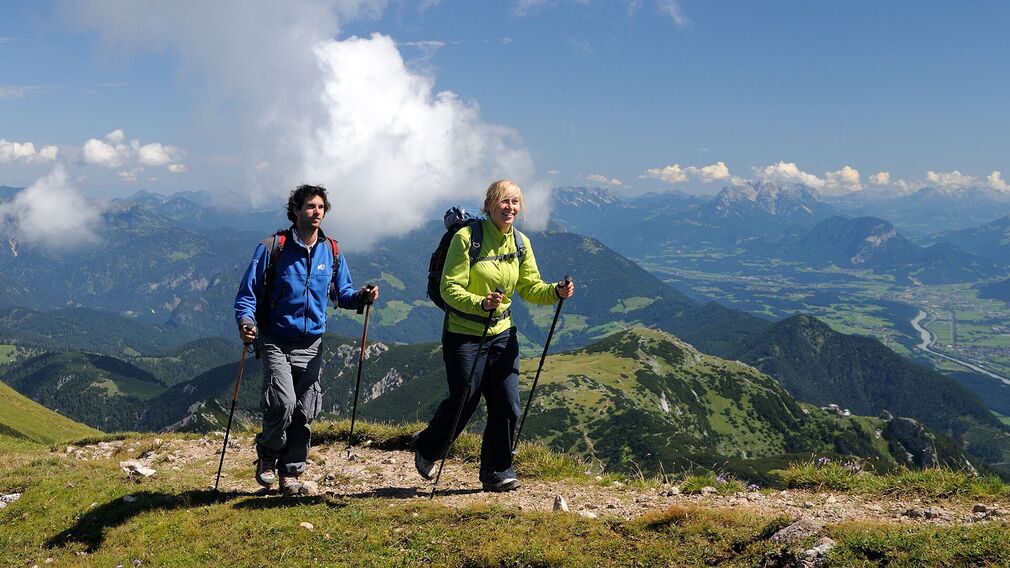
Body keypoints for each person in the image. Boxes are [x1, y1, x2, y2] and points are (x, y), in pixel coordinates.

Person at [413, 179, 575, 492]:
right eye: (504, 201)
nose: (510, 208)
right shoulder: (466, 239)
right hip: (464, 334)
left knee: (507, 403)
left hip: (502, 333)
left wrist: (555, 291)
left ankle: (497, 472)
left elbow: (529, 287)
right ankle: (428, 446)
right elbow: (449, 288)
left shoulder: (520, 244)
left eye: (515, 202)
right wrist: (480, 303)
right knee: (464, 400)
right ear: (489, 205)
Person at [234, 184, 379, 495]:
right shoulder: (273, 248)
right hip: (275, 338)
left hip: (312, 343)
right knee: (282, 402)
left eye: (321, 207)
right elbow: (247, 295)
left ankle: (292, 473)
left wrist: (363, 297)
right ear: (296, 210)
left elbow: (342, 295)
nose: (317, 212)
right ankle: (269, 455)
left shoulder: (332, 251)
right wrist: (246, 323)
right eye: (310, 207)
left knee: (304, 410)